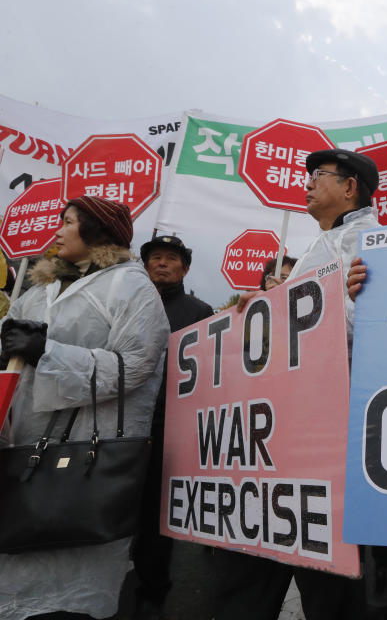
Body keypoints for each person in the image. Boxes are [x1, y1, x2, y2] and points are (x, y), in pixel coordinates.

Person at [220, 149, 383, 620]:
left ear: (349, 187)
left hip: (331, 427)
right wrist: (269, 305)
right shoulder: (325, 243)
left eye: (319, 176)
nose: (307, 184)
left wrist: (292, 307)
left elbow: (362, 327)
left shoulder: (371, 240)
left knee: (326, 563)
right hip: (292, 423)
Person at [0, 196, 170, 619]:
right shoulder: (37, 293)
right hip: (21, 447)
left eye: (69, 222)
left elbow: (135, 366)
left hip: (85, 457)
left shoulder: (130, 286)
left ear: (97, 232)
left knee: (71, 586)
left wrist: (47, 352)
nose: (57, 230)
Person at [133, 234, 214, 618]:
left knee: (154, 513)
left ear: (184, 268)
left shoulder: (200, 312)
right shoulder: (128, 303)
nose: (161, 264)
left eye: (170, 258)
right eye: (155, 258)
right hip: (124, 426)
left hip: (168, 429)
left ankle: (153, 588)